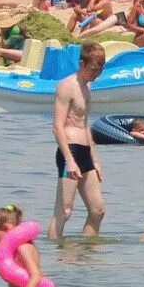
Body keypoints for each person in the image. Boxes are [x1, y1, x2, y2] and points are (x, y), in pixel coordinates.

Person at [49, 42, 107, 240]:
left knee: (97, 210)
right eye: (93, 70)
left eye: (100, 70)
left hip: (85, 152)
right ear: (82, 64)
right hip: (70, 152)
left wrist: (95, 160)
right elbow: (57, 126)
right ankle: (57, 255)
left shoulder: (87, 88)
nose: (96, 74)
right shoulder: (66, 86)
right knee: (64, 211)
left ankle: (85, 252)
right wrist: (70, 160)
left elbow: (84, 125)